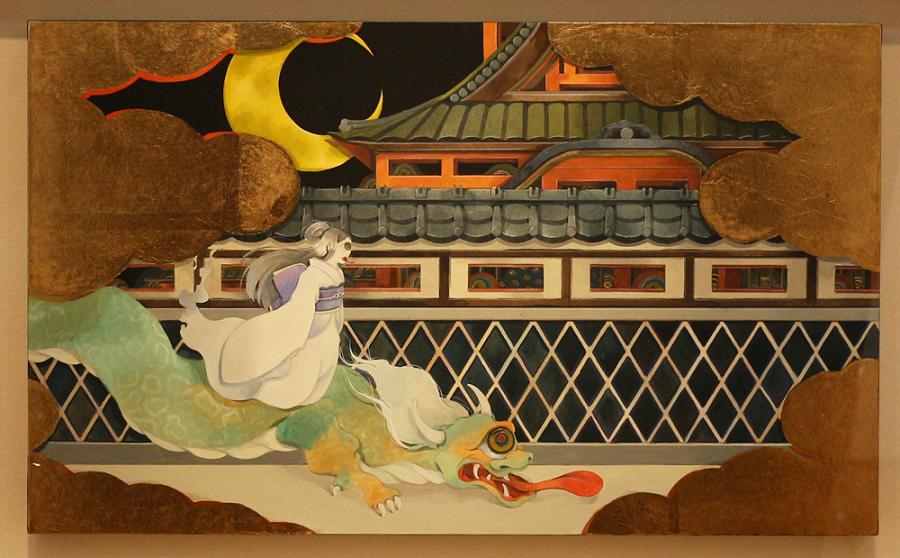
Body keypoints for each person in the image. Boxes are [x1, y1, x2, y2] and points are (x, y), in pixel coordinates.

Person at [179, 222, 351, 409]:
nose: (349, 252)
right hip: (311, 336)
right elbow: (300, 308)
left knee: (317, 387)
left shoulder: (336, 274)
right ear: (329, 245)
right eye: (346, 246)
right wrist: (297, 337)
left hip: (328, 334)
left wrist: (335, 328)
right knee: (299, 388)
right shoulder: (312, 276)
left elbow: (337, 309)